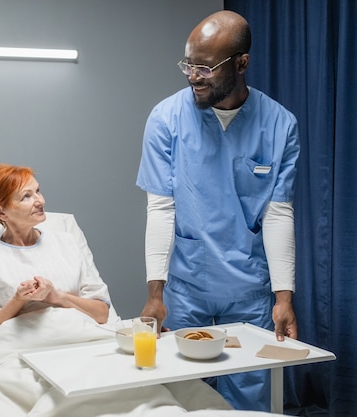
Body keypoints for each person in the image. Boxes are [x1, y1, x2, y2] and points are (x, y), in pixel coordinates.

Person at [135, 10, 300, 411]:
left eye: (205, 67)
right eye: (188, 64)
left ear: (241, 63)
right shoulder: (166, 119)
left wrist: (283, 298)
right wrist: (155, 293)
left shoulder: (280, 124)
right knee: (184, 392)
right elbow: (160, 208)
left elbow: (278, 214)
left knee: (251, 391)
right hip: (188, 283)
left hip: (248, 287)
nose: (193, 75)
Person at [0, 163, 112, 347]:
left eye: (38, 191)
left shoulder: (67, 243)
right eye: (26, 196)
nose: (40, 201)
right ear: (1, 211)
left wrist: (57, 296)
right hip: (19, 348)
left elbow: (102, 314)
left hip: (78, 340)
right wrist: (18, 301)